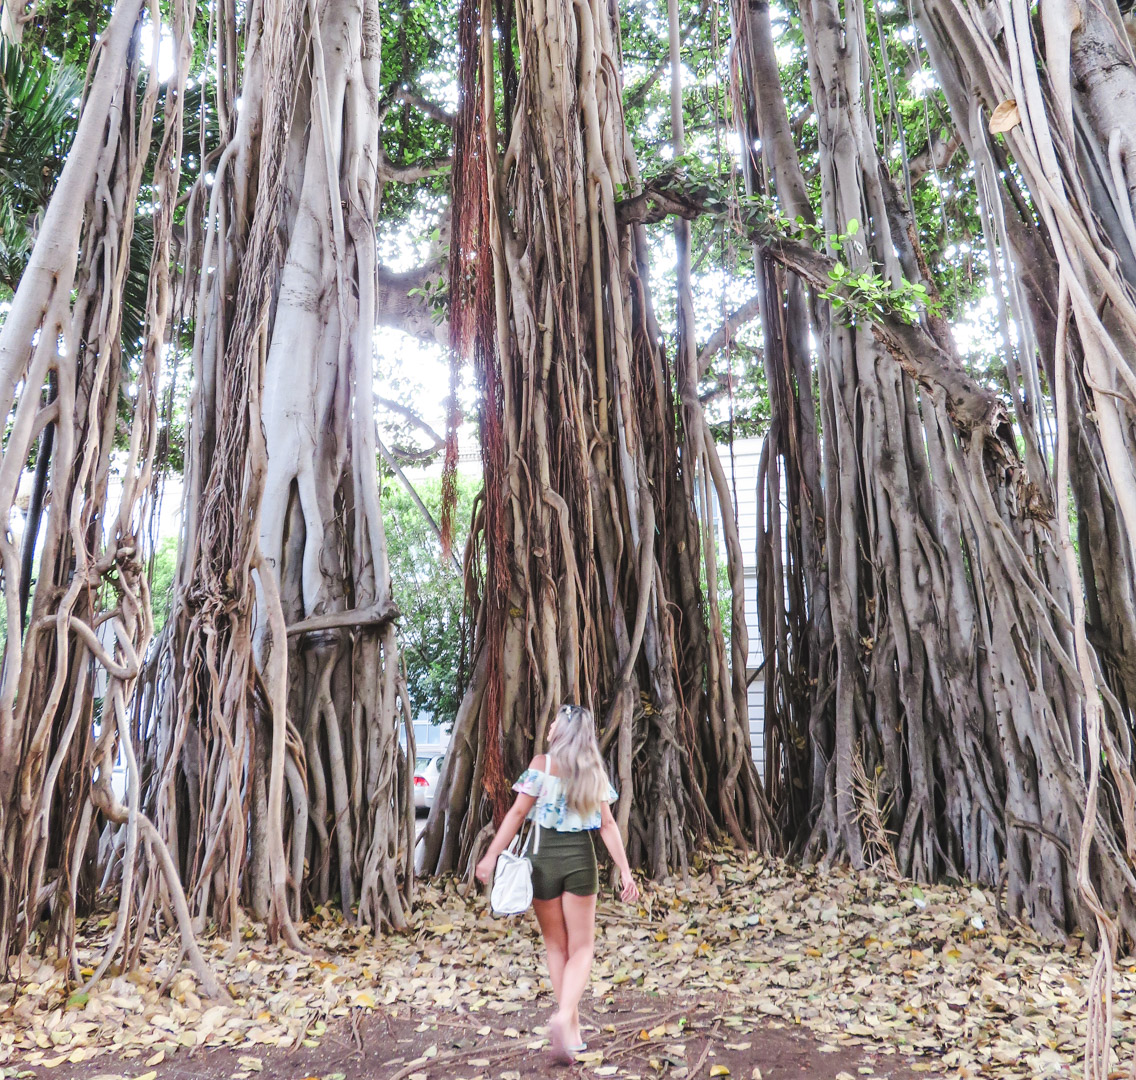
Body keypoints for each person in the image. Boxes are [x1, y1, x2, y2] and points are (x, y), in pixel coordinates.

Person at [475, 703, 639, 1064]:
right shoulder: (593, 771)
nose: (548, 729)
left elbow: (518, 813)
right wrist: (624, 871)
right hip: (580, 861)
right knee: (581, 949)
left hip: (541, 860)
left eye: (553, 725)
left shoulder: (541, 765)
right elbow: (608, 826)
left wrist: (490, 856)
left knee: (556, 946)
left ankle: (571, 1028)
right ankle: (567, 1020)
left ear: (561, 732)